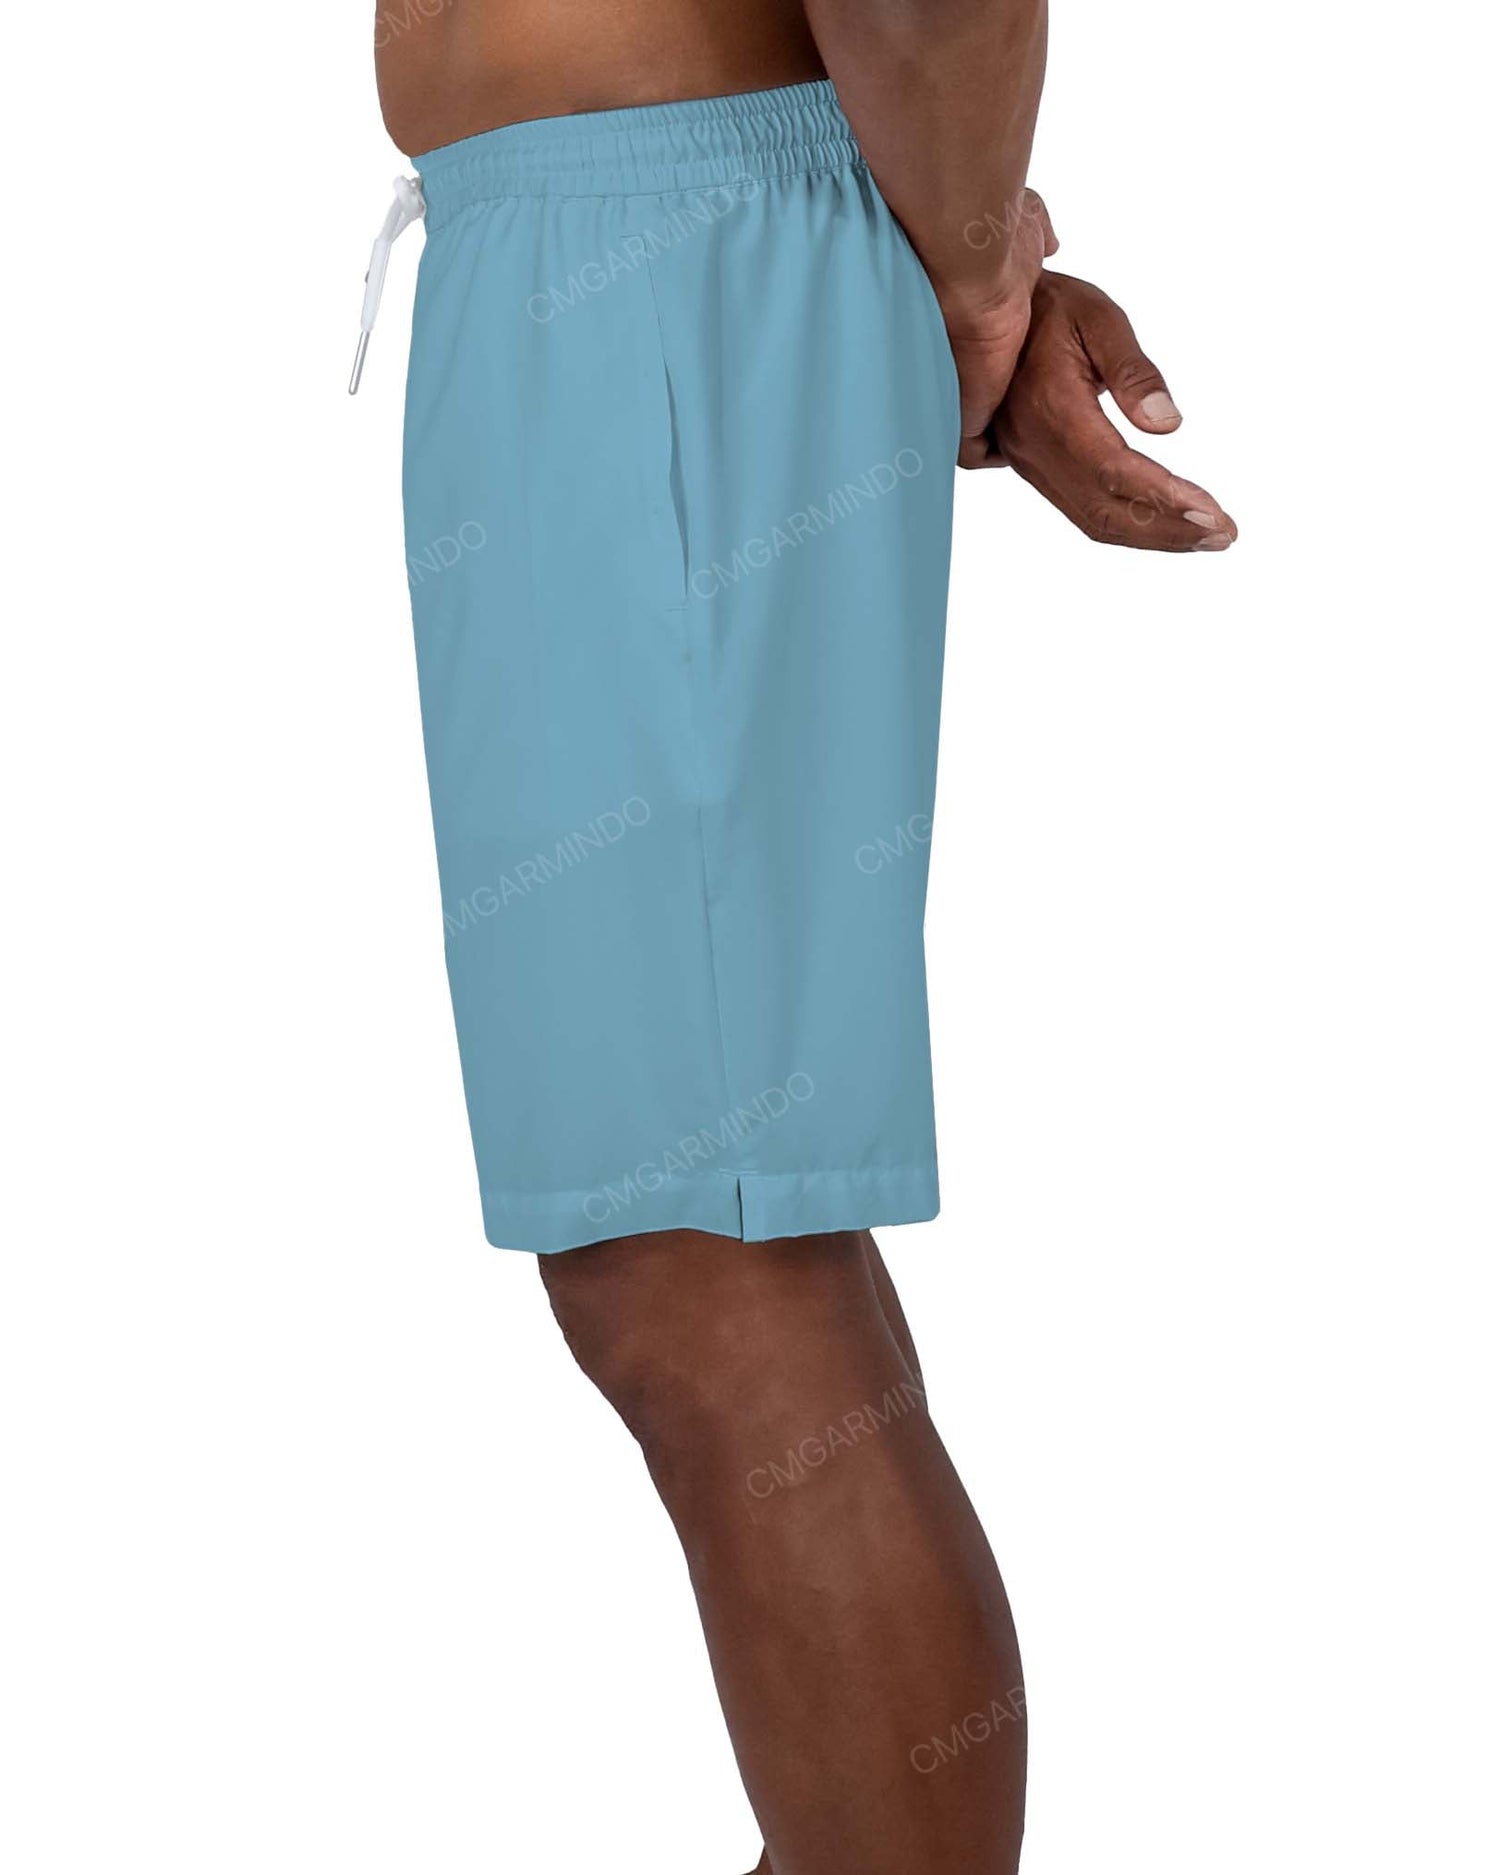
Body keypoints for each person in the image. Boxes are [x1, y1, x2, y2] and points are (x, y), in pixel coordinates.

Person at [368, 3, 1235, 1870]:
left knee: (709, 1259)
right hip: (593, 259)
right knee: (674, 1246)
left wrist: (976, 273)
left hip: (659, 269)